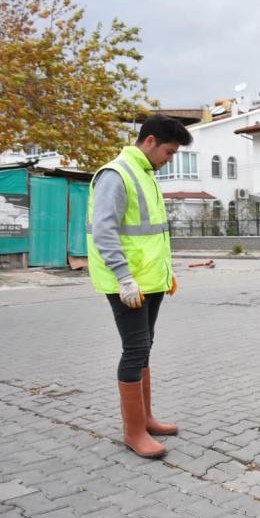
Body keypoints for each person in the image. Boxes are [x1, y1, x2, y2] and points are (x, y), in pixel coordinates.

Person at [87, 115, 192, 458]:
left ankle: (146, 418)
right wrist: (123, 277)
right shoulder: (116, 175)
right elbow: (104, 231)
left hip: (150, 281)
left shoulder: (146, 175)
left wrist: (165, 273)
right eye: (169, 151)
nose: (170, 159)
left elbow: (150, 234)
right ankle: (133, 432)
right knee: (134, 350)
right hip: (127, 283)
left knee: (144, 347)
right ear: (149, 141)